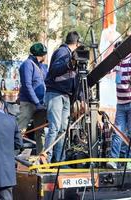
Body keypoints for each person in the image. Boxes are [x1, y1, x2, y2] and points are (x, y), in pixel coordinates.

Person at [107, 45, 131, 170]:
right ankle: (114, 159)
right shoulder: (117, 63)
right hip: (121, 103)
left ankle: (129, 160)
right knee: (118, 132)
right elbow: (106, 70)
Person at [44, 31, 80, 163]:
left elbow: (74, 78)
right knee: (55, 127)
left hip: (65, 95)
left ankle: (59, 160)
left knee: (62, 128)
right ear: (77, 43)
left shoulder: (70, 54)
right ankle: (46, 160)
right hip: (55, 94)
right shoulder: (63, 52)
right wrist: (68, 65)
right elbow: (54, 70)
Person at [18, 42, 48, 154]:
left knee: (40, 132)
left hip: (41, 104)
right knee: (20, 130)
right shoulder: (27, 64)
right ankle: (12, 156)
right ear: (40, 55)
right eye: (44, 54)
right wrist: (36, 102)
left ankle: (42, 156)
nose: (45, 56)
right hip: (28, 103)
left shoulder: (42, 67)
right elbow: (27, 85)